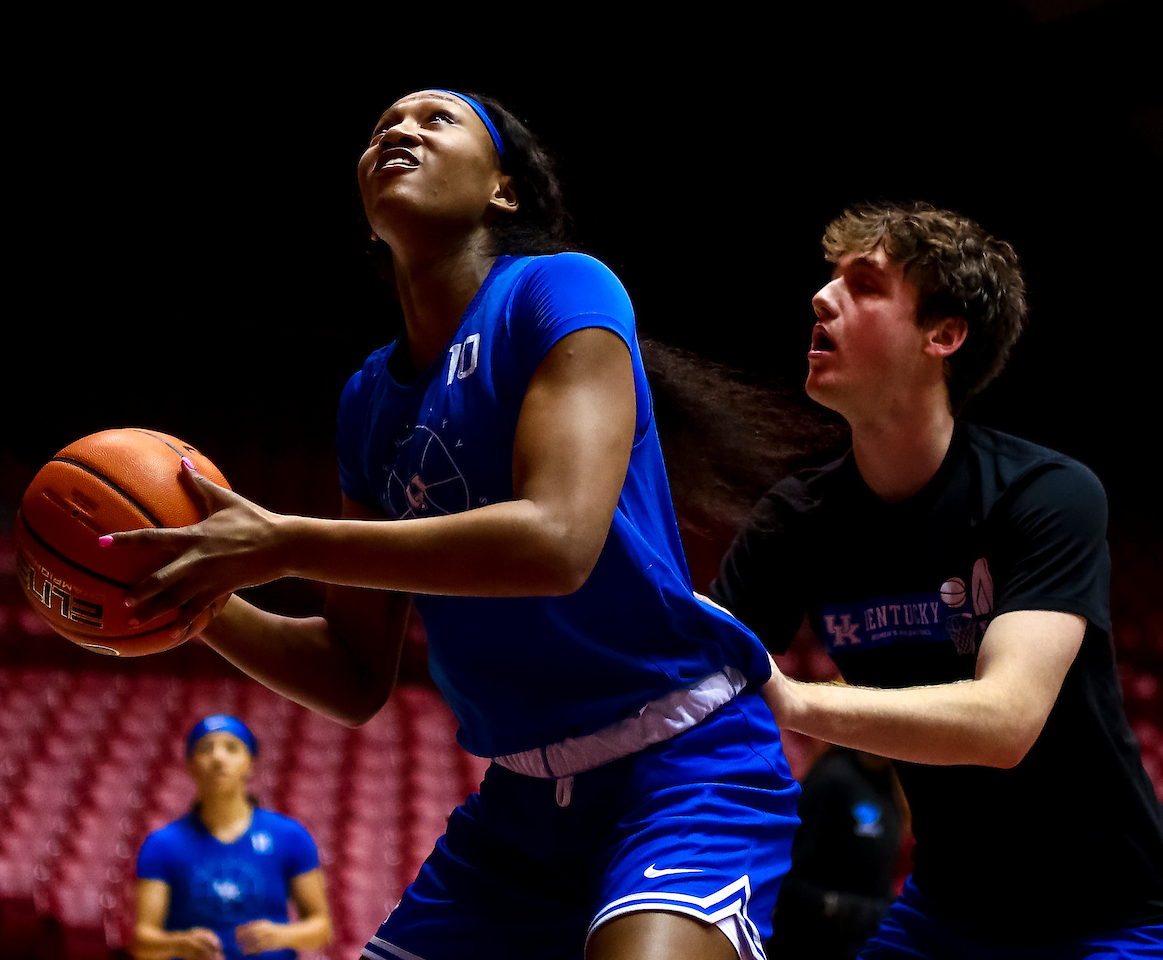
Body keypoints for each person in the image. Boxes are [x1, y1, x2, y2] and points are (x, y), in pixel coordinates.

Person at [104, 89, 799, 960]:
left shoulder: (560, 288)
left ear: (501, 190)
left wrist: (282, 541)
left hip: (681, 765)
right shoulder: (369, 401)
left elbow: (558, 541)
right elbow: (355, 673)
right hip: (518, 814)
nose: (399, 129)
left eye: (437, 120)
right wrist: (192, 598)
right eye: (382, 127)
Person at [711, 202, 1163, 957]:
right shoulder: (797, 520)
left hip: (1111, 917)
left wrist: (790, 699)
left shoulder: (1045, 494)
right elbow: (694, 675)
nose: (822, 299)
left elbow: (1005, 722)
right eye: (829, 282)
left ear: (943, 335)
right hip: (949, 912)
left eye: (864, 284)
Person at [133, 715, 332, 960]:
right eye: (206, 748)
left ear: (250, 763)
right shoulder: (162, 844)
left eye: (231, 748)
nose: (218, 758)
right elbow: (142, 941)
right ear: (190, 765)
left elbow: (321, 927)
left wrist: (282, 935)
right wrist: (179, 943)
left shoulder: (290, 836)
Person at [766, 746, 904, 960]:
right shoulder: (832, 778)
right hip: (811, 943)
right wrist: (844, 908)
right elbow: (787, 879)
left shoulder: (891, 789)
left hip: (861, 945)